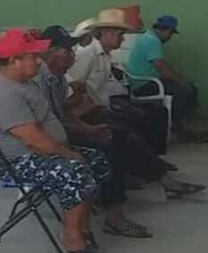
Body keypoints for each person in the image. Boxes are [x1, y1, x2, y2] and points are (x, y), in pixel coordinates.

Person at [0, 29, 124, 253]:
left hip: (41, 153)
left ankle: (83, 226)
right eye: (32, 56)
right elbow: (33, 140)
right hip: (19, 162)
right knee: (75, 170)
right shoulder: (5, 93)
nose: (38, 61)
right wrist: (68, 153)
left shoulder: (24, 82)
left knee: (98, 160)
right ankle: (72, 238)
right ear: (13, 60)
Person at [37, 28, 203, 202]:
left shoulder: (60, 76)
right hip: (65, 129)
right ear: (50, 52)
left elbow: (61, 112)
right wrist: (86, 125)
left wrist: (86, 126)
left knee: (139, 121)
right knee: (116, 138)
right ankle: (127, 195)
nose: (72, 55)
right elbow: (58, 114)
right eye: (67, 51)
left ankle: (154, 171)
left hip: (82, 117)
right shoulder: (47, 76)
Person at [126, 14, 204, 139]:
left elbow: (163, 66)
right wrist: (181, 81)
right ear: (167, 30)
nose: (170, 38)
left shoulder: (147, 37)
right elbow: (161, 66)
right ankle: (182, 127)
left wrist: (180, 79)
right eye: (171, 34)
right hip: (144, 85)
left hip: (146, 82)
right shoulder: (152, 40)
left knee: (189, 87)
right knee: (182, 90)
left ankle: (187, 123)